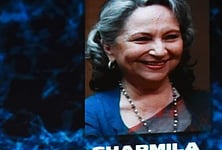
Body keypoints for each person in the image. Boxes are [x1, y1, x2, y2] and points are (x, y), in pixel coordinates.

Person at [84, 0, 211, 135]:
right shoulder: (91, 115)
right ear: (108, 48)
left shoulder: (214, 106)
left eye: (171, 37)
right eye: (142, 39)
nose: (160, 51)